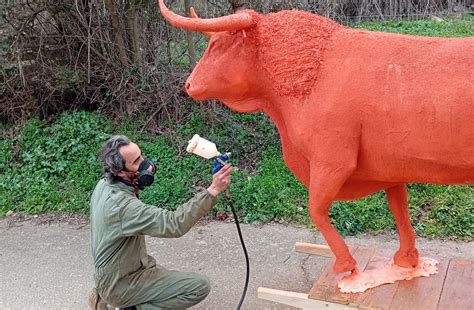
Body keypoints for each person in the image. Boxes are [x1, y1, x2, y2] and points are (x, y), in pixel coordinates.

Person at [88, 135, 232, 310]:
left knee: (161, 275)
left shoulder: (105, 184)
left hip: (119, 273)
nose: (145, 164)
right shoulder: (122, 207)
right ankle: (127, 307)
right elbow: (174, 224)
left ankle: (104, 296)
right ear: (119, 171)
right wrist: (214, 190)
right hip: (120, 284)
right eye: (136, 162)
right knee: (198, 287)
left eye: (141, 156)